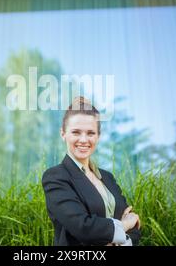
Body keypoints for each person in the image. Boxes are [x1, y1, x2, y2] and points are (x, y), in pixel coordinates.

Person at [42, 96, 141, 246]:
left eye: (90, 133)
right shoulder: (56, 176)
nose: (83, 140)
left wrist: (124, 240)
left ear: (98, 136)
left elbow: (134, 226)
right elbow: (83, 227)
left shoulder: (107, 177)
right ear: (63, 133)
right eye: (76, 132)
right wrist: (124, 225)